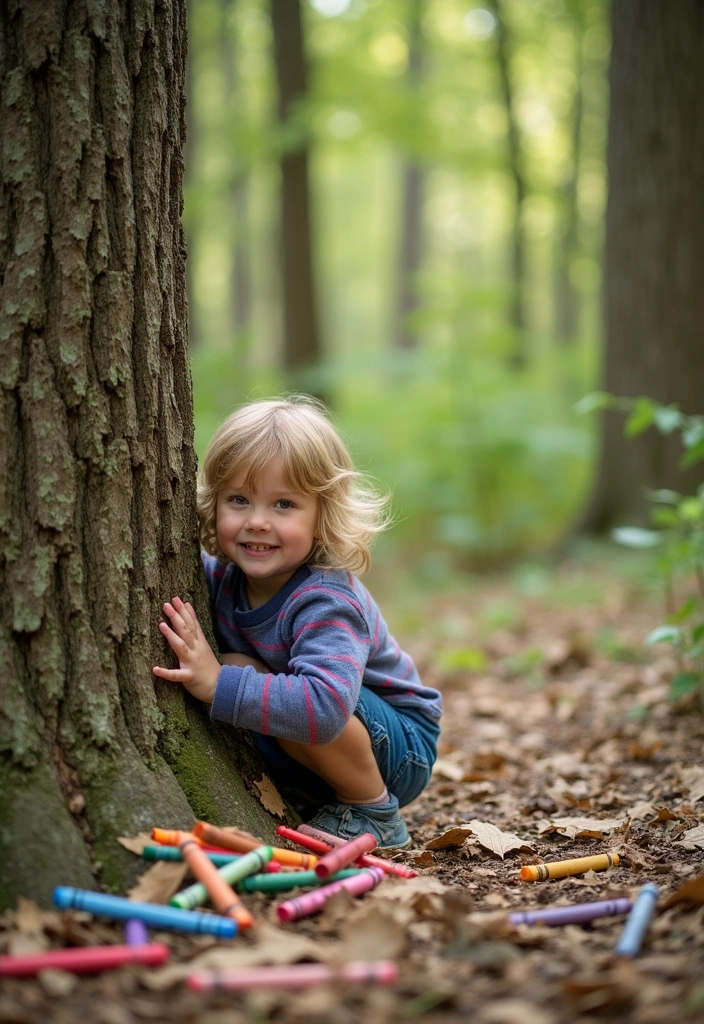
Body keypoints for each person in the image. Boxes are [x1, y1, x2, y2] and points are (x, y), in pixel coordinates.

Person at [153, 396, 442, 848]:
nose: (257, 522)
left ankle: (373, 810)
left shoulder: (325, 599)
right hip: (316, 742)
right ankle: (317, 794)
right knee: (240, 666)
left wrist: (217, 682)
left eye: (284, 504)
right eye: (239, 500)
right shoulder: (219, 577)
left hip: (398, 747)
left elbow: (325, 708)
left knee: (242, 671)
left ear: (321, 515)